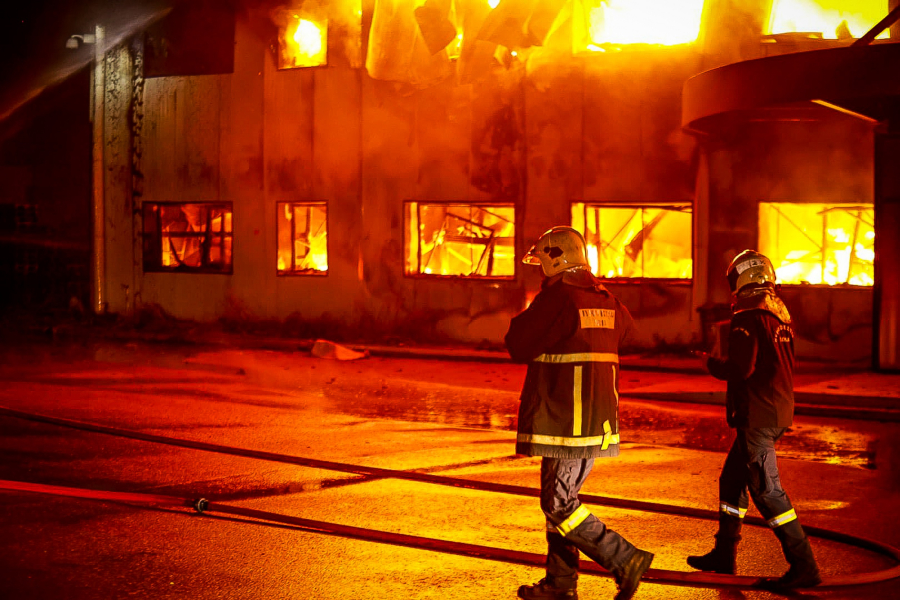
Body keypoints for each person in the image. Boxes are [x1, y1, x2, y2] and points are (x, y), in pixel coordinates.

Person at [505, 226, 654, 600]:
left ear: (555, 259)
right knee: (562, 502)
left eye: (542, 263)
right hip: (595, 421)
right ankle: (560, 582)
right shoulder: (606, 298)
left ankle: (625, 558)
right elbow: (629, 335)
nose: (540, 272)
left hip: (564, 419)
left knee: (558, 505)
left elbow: (518, 343)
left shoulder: (559, 298)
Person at [687, 249, 821, 590]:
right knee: (732, 480)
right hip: (776, 409)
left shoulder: (748, 315)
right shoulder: (778, 312)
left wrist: (711, 364)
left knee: (767, 492)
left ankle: (804, 566)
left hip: (758, 414)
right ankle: (723, 554)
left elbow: (741, 369)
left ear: (741, 278)